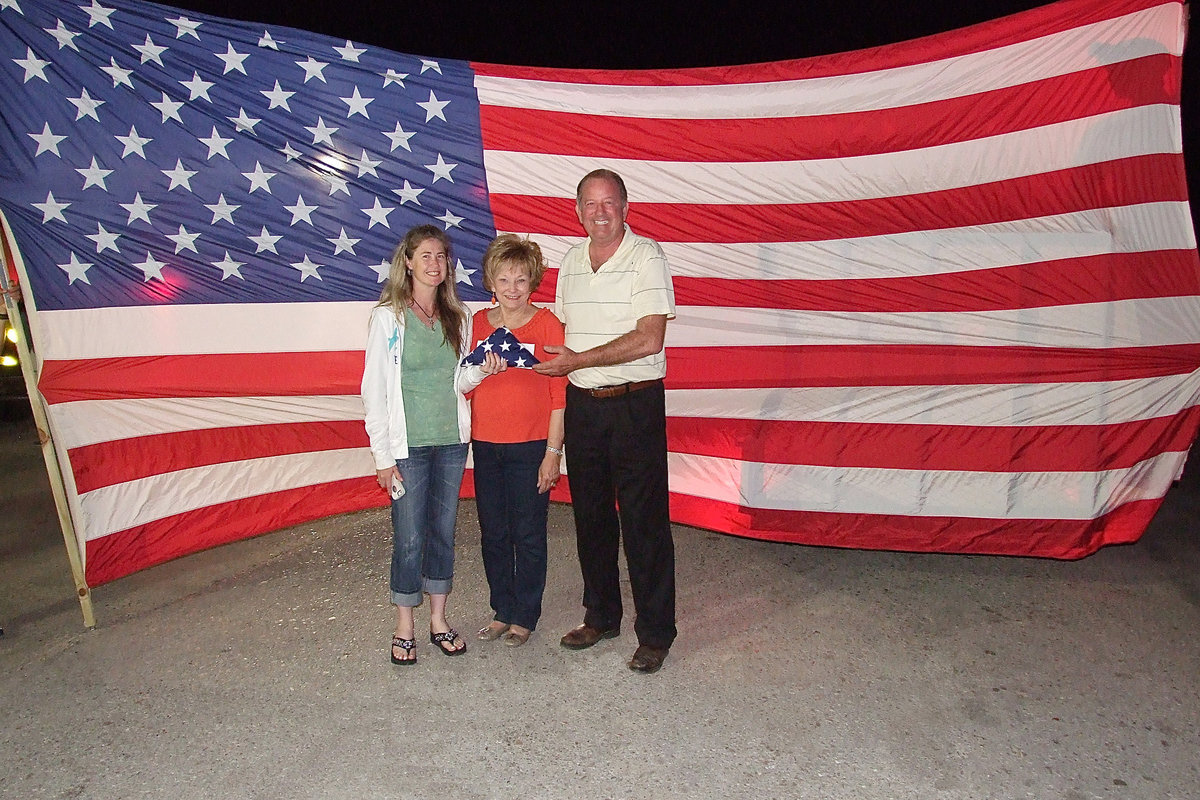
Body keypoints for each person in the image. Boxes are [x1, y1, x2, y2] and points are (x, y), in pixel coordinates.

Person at [533, 169, 677, 674]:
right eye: (590, 204)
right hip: (583, 407)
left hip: (634, 405)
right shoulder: (571, 262)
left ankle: (655, 633)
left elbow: (649, 338)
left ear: (625, 208)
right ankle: (601, 616)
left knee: (644, 522)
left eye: (609, 202)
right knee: (590, 517)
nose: (600, 212)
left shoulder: (647, 257)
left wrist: (579, 361)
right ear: (577, 211)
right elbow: (561, 332)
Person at [361, 224, 501, 666]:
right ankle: (404, 626)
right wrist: (382, 457)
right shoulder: (388, 317)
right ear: (407, 262)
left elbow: (459, 380)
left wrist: (482, 371)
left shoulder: (459, 316)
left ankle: (439, 620)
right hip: (408, 448)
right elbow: (373, 391)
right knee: (409, 537)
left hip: (451, 443)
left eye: (441, 256)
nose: (434, 263)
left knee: (443, 533)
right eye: (425, 255)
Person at [467, 234, 567, 647]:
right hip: (485, 444)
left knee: (527, 532)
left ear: (533, 282)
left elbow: (559, 397)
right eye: (504, 279)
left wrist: (552, 453)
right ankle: (501, 609)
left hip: (531, 446)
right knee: (493, 532)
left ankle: (525, 614)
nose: (512, 288)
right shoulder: (476, 323)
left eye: (521, 279)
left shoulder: (547, 324)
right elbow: (462, 384)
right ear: (491, 281)